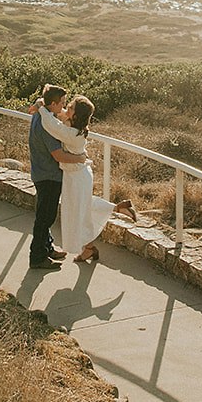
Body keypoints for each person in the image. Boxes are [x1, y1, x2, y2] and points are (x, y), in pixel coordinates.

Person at [37, 94, 136, 264]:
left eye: (71, 107)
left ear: (75, 115)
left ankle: (94, 240)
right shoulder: (75, 127)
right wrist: (50, 108)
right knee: (84, 208)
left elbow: (52, 126)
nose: (66, 107)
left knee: (78, 212)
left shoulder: (72, 134)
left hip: (76, 177)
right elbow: (59, 117)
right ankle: (113, 214)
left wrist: (41, 107)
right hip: (79, 174)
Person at [28, 84, 84, 270]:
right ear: (52, 103)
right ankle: (37, 257)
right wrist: (80, 158)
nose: (64, 106)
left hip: (41, 171)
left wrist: (39, 105)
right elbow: (59, 156)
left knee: (45, 214)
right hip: (49, 176)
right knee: (45, 217)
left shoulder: (41, 114)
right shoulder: (47, 127)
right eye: (62, 103)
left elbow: (48, 113)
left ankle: (47, 247)